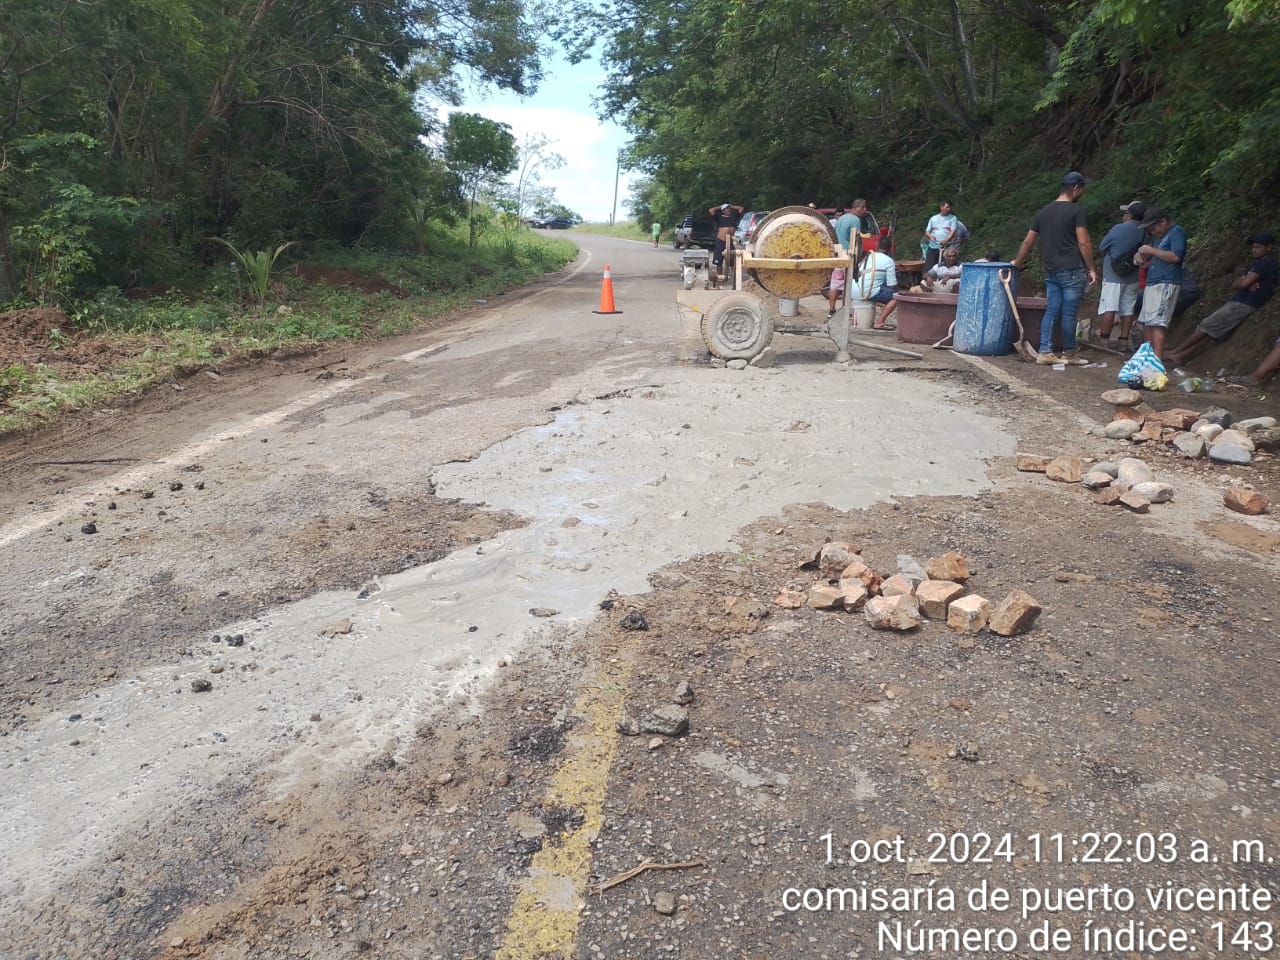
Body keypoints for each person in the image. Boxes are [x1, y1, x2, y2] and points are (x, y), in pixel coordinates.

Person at [1010, 171, 1098, 366]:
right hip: (1073, 269)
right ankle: (1069, 353)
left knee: (1052, 310)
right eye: (1081, 188)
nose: (1081, 192)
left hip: (1051, 270)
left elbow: (1028, 241)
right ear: (1076, 188)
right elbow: (1083, 242)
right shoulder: (1077, 211)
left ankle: (1045, 351)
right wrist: (1091, 268)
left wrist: (1017, 261)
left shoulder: (1043, 212)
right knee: (1068, 313)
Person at [1166, 234, 1278, 367]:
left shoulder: (1264, 264)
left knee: (1206, 325)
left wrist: (1245, 281)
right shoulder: (1263, 264)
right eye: (1253, 247)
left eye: (1258, 247)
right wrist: (1244, 282)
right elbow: (1236, 283)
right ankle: (1179, 356)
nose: (1254, 250)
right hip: (1245, 302)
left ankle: (1176, 352)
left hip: (1244, 302)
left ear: (1269, 248)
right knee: (1212, 333)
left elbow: (1241, 283)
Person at [1133, 207, 1187, 360]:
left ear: (1163, 221)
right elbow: (1152, 256)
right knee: (1147, 321)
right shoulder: (1158, 237)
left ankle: (1156, 359)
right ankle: (1147, 356)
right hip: (1152, 282)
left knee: (1157, 323)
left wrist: (1152, 251)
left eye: (1153, 227)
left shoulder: (1176, 232)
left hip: (1166, 282)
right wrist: (1141, 257)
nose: (1152, 232)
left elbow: (1177, 256)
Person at [1095, 201, 1146, 344]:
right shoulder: (1145, 231)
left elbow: (1102, 247)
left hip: (1113, 275)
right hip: (1133, 275)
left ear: (1129, 215)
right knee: (1128, 308)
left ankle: (1104, 339)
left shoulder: (1118, 229)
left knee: (1109, 307)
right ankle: (1123, 340)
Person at [848, 236, 901, 330]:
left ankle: (855, 320)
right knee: (896, 297)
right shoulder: (889, 261)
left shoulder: (867, 257)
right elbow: (892, 285)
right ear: (890, 249)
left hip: (853, 291)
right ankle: (880, 322)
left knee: (877, 289)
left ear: (877, 246)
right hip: (867, 292)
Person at [828, 199, 870, 317]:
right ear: (857, 207)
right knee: (847, 283)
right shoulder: (855, 220)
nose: (865, 210)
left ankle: (831, 310)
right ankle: (845, 309)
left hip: (838, 253)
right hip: (847, 254)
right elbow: (856, 239)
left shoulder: (841, 218)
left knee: (835, 283)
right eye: (863, 207)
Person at [708, 202, 744, 275]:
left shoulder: (734, 216)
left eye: (729, 209)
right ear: (723, 211)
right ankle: (720, 277)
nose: (728, 210)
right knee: (719, 260)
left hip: (730, 241)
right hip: (721, 241)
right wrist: (720, 206)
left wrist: (731, 206)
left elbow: (741, 209)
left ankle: (735, 277)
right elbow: (711, 210)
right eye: (726, 209)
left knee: (732, 259)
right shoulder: (719, 217)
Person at [922, 201, 958, 272]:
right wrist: (930, 236)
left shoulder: (953, 218)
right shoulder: (933, 218)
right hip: (933, 246)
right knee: (929, 267)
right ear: (941, 207)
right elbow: (927, 231)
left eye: (949, 207)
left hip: (945, 247)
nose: (948, 209)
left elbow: (953, 231)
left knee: (945, 266)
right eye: (947, 207)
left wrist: (946, 240)